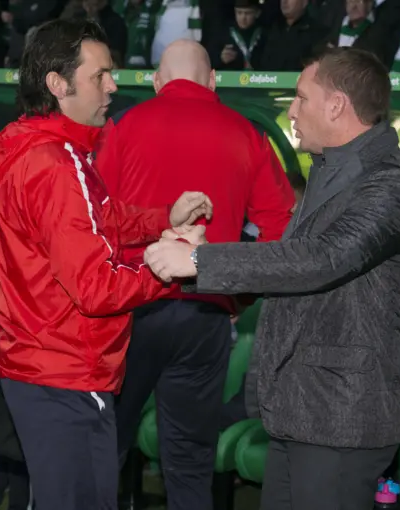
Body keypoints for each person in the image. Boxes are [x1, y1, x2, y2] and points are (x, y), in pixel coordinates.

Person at [143, 46, 400, 510]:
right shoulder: (330, 171)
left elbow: (323, 259)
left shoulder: (389, 182)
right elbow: (290, 264)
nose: (291, 111)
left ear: (336, 105)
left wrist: (202, 261)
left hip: (340, 417)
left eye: (300, 98)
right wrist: (200, 260)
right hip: (301, 411)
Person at [0, 18, 212, 510]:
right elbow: (97, 287)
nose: (113, 84)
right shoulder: (56, 164)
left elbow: (98, 220)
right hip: (65, 370)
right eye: (100, 75)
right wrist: (173, 268)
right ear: (57, 84)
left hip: (45, 364)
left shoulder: (47, 149)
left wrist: (163, 219)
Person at [95, 39, 295, 510]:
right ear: (212, 81)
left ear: (157, 82)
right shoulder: (248, 134)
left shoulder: (122, 127)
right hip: (206, 312)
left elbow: (96, 220)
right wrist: (237, 294)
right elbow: (283, 228)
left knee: (104, 447)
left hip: (131, 311)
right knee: (189, 460)